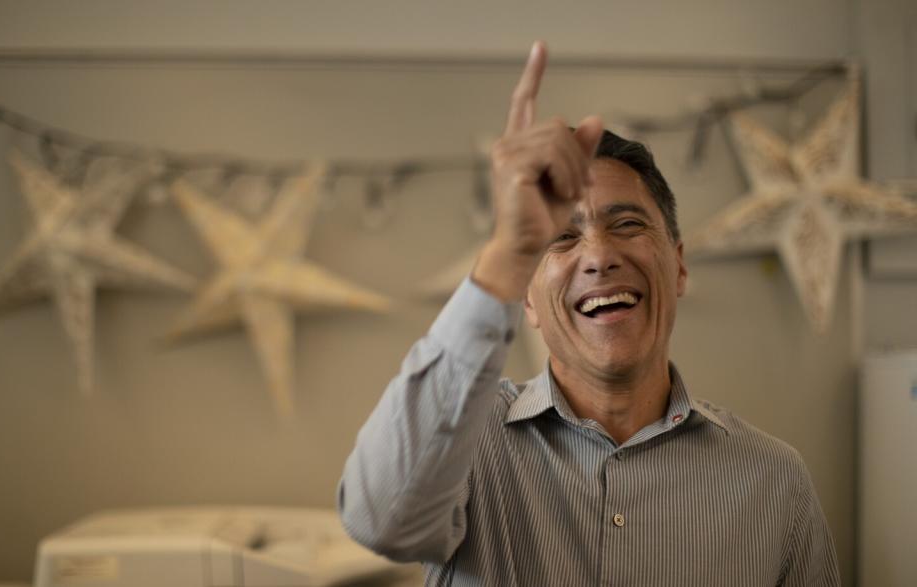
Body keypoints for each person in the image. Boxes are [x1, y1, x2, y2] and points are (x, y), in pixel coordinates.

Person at [337, 41, 840, 586]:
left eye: (627, 225)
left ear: (678, 267)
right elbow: (379, 519)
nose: (599, 256)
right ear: (526, 297)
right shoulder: (465, 449)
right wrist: (509, 250)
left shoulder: (774, 480)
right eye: (560, 239)